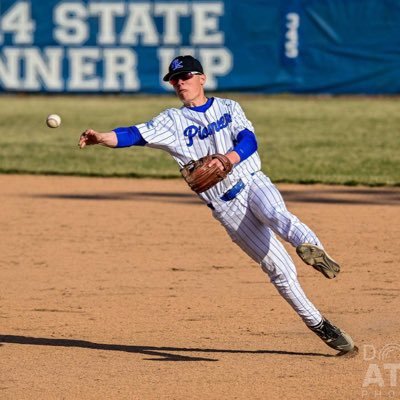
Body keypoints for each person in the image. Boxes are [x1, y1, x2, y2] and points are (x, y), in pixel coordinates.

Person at [78, 55, 355, 354]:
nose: (179, 83)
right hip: (226, 208)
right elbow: (134, 134)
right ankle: (320, 325)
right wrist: (102, 137)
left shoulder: (228, 106)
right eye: (174, 79)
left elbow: (249, 141)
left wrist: (227, 159)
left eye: (185, 76)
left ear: (202, 78)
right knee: (278, 270)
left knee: (275, 213)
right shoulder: (171, 121)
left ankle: (313, 250)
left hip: (252, 181)